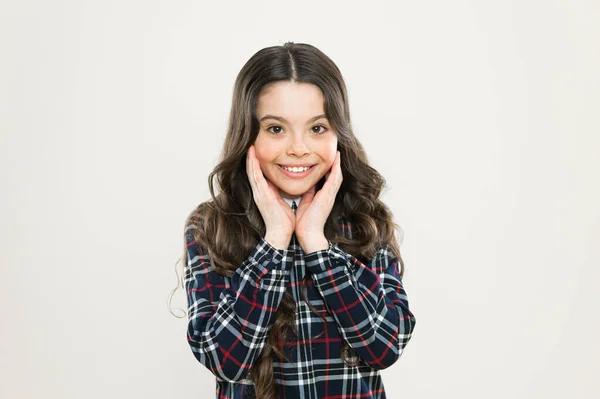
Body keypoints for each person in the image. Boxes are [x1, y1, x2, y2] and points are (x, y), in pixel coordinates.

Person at [181, 41, 416, 399]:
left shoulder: (365, 219)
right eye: (276, 129)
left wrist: (317, 244)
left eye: (317, 128)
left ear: (338, 134)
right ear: (250, 134)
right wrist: (274, 239)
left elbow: (385, 347)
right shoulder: (210, 225)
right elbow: (223, 358)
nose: (298, 148)